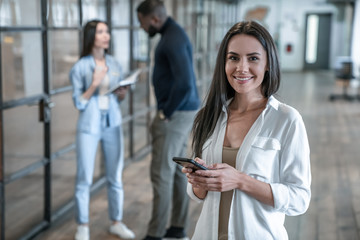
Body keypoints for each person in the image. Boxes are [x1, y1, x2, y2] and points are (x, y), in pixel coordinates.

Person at [183, 21, 311, 240]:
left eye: (253, 58)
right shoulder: (209, 116)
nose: (241, 68)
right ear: (224, 63)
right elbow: (198, 196)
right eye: (233, 58)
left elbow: (299, 199)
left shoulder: (287, 120)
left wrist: (241, 181)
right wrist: (199, 183)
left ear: (268, 64)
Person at [136, 1, 200, 240]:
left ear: (153, 19)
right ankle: (177, 228)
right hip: (183, 112)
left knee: (160, 174)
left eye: (141, 22)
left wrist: (165, 113)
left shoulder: (172, 39)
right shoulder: (174, 33)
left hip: (175, 115)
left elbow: (184, 83)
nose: (142, 28)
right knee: (174, 172)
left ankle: (155, 234)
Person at [69, 20, 135, 240]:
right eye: (101, 32)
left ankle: (116, 222)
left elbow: (117, 97)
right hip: (89, 125)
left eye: (107, 31)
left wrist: (122, 94)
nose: (106, 35)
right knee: (84, 177)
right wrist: (94, 84)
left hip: (112, 123)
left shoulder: (115, 63)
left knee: (115, 175)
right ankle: (83, 226)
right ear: (91, 37)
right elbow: (79, 103)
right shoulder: (79, 67)